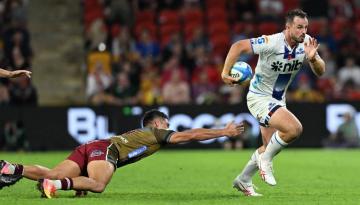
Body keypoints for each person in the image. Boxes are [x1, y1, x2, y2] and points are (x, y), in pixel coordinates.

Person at [0, 109, 244, 198]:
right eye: (167, 123)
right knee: (98, 184)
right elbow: (190, 135)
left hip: (93, 146)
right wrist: (223, 131)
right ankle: (53, 185)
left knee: (56, 173)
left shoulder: (144, 134)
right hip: (106, 149)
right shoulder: (154, 133)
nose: (170, 127)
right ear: (158, 124)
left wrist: (77, 182)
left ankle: (10, 169)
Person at [221, 9, 325, 196]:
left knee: (268, 147)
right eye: (299, 27)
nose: (303, 31)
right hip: (259, 97)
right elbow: (238, 46)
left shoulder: (307, 43)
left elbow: (321, 71)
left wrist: (313, 59)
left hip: (278, 100)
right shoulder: (271, 42)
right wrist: (225, 72)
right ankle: (265, 161)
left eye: (306, 27)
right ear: (288, 27)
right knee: (294, 129)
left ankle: (243, 180)